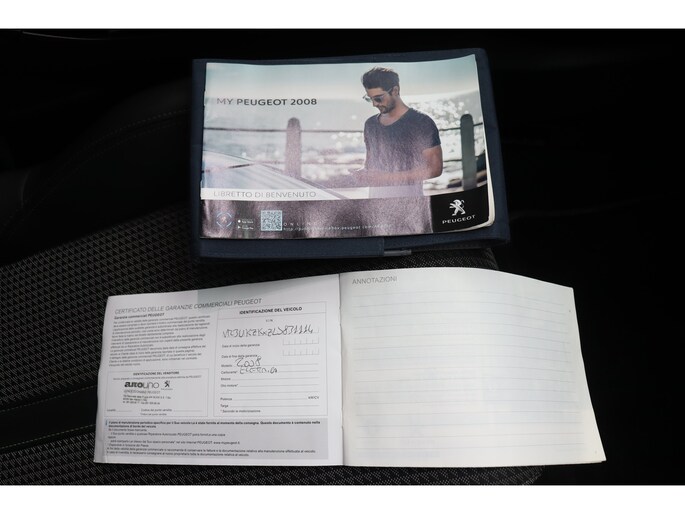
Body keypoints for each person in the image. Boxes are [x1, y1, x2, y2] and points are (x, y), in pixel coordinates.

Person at [356, 66, 443, 198]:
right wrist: (363, 174)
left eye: (378, 98)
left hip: (409, 202)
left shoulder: (421, 122)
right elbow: (370, 164)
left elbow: (434, 169)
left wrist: (385, 178)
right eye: (370, 98)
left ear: (395, 91)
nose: (374, 104)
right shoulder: (370, 124)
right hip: (375, 202)